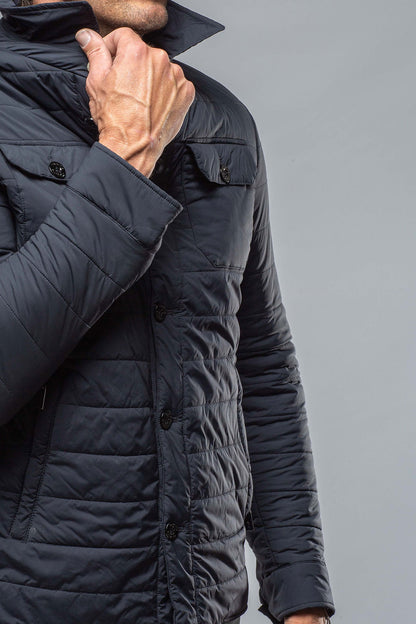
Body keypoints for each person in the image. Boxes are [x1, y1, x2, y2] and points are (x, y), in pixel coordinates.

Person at [0, 0, 336, 623]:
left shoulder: (223, 119)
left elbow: (257, 364)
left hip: (202, 604)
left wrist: (300, 594)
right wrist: (125, 153)